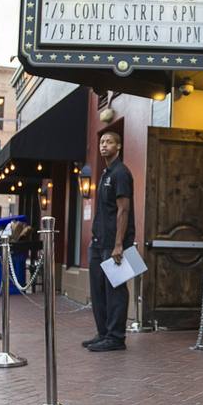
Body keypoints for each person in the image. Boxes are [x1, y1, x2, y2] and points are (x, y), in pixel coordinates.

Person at [84, 130, 134, 352]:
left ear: (119, 146)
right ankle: (103, 333)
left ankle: (115, 337)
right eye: (102, 142)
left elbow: (123, 209)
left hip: (115, 243)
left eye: (109, 142)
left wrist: (118, 244)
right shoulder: (105, 173)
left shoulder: (121, 173)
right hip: (98, 242)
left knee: (115, 290)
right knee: (98, 290)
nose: (104, 145)